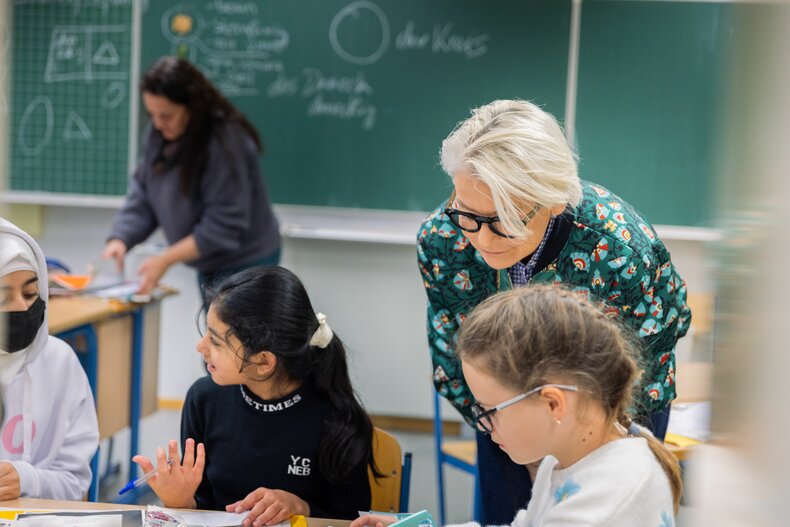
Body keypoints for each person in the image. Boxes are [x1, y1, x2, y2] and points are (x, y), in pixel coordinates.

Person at [417, 99, 691, 524]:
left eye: (505, 220)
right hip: (504, 410)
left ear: (555, 201)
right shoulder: (444, 238)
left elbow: (643, 355)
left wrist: (567, 448)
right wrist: (511, 432)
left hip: (606, 418)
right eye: (468, 215)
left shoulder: (616, 248)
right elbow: (456, 353)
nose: (482, 239)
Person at [355, 286, 681, 527]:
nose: (483, 426)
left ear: (554, 403)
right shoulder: (566, 456)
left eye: (489, 410)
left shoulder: (606, 505)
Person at [133, 266, 374, 527]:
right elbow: (202, 507)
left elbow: (351, 521)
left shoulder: (337, 419)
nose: (200, 346)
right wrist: (180, 502)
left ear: (263, 362)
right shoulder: (204, 399)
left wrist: (300, 506)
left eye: (215, 341)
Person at [103, 56, 280, 298]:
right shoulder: (160, 135)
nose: (157, 124)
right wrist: (121, 238)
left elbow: (223, 226)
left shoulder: (224, 142)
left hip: (247, 263)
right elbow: (145, 195)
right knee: (216, 331)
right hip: (210, 262)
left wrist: (165, 259)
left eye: (166, 115)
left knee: (233, 334)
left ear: (192, 106)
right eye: (151, 114)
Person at [0, 218, 99, 500]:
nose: (23, 307)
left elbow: (75, 482)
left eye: (31, 293)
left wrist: (27, 479)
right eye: (3, 298)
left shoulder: (59, 362)